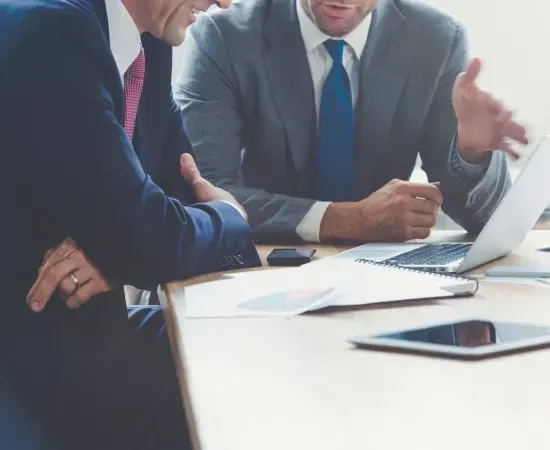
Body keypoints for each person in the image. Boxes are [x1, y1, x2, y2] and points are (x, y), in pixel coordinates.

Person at [0, 0, 261, 448]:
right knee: (235, 389)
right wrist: (232, 218)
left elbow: (175, 194)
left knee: (254, 340)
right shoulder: (55, 33)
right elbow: (149, 231)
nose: (225, 2)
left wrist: (119, 249)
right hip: (28, 351)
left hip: (85, 334)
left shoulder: (147, 44)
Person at [175, 0, 528, 244]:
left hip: (381, 280)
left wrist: (471, 154)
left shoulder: (436, 39)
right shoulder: (223, 37)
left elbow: (486, 225)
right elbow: (203, 193)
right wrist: (345, 219)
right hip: (260, 268)